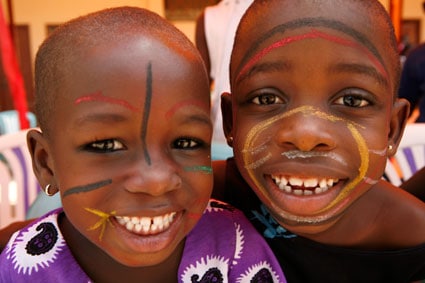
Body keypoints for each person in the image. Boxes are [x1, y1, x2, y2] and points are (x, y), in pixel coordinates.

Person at [0, 7, 286, 283]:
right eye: (106, 145)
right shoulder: (23, 264)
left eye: (186, 142)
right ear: (45, 163)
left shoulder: (234, 245)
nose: (156, 181)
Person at [213, 0, 425, 282]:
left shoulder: (415, 242)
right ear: (231, 121)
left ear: (392, 130)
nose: (305, 136)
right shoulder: (193, 199)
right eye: (267, 99)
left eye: (352, 100)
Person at [195, 0, 253, 160]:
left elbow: (199, 87)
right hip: (260, 128)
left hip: (220, 130)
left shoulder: (208, 18)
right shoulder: (276, 10)